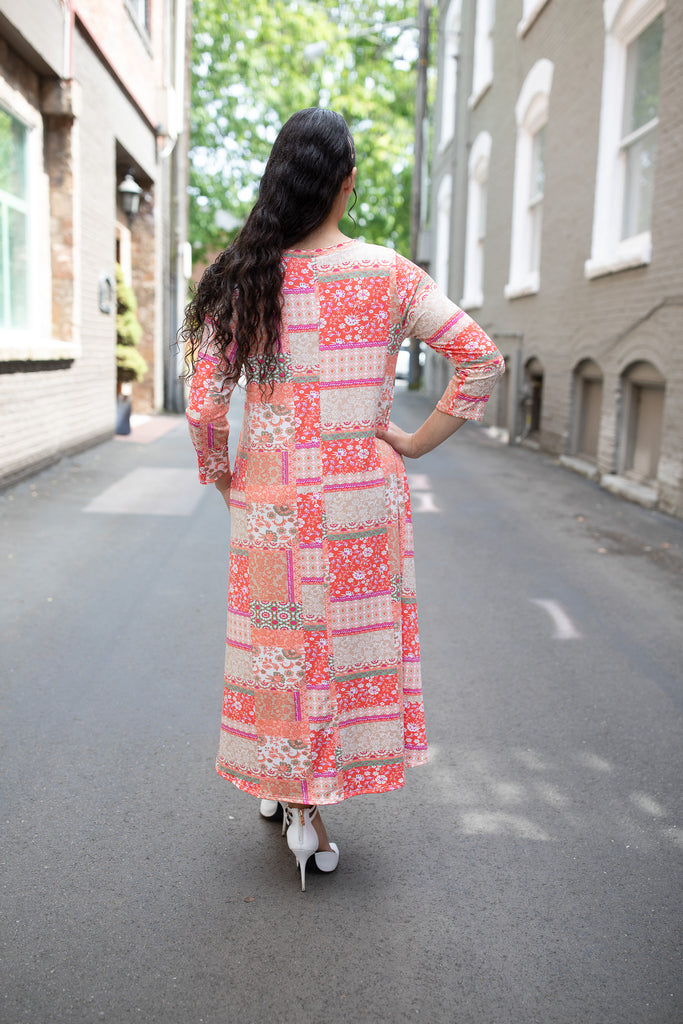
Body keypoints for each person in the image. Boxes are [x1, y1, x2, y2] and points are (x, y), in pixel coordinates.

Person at [183, 108, 504, 891]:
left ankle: (287, 791)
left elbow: (203, 406)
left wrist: (225, 480)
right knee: (339, 652)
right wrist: (415, 442)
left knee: (282, 651)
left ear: (279, 183)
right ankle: (305, 801)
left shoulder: (243, 276)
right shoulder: (388, 274)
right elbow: (480, 359)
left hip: (272, 502)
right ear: (347, 183)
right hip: (361, 498)